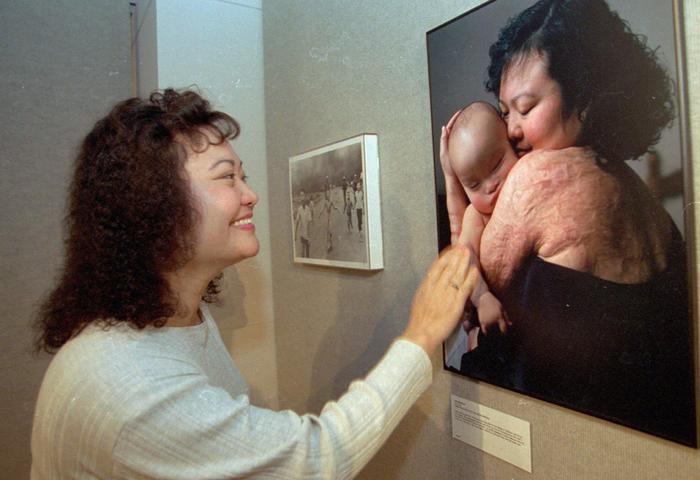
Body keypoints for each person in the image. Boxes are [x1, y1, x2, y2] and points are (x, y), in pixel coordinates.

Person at [30, 89, 478, 478]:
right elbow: (317, 457)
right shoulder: (127, 384)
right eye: (227, 177)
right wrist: (422, 333)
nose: (250, 195)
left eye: (242, 176)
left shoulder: (181, 320)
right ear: (156, 205)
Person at [441, 0, 694, 444]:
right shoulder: (632, 184)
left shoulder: (535, 176)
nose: (511, 130)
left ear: (584, 98)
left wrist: (452, 178)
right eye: (505, 112)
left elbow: (470, 284)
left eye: (526, 107)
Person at [442, 102, 517, 351]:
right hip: (495, 316)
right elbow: (465, 256)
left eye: (496, 166)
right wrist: (482, 296)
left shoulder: (528, 178)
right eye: (474, 185)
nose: (489, 186)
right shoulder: (477, 215)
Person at [294, 190, 313, 257]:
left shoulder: (308, 209)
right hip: (302, 234)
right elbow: (297, 222)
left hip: (307, 234)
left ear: (305, 197)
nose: (302, 197)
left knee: (307, 252)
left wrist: (309, 237)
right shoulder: (299, 209)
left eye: (303, 195)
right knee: (302, 252)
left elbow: (309, 224)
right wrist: (295, 234)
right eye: (301, 196)